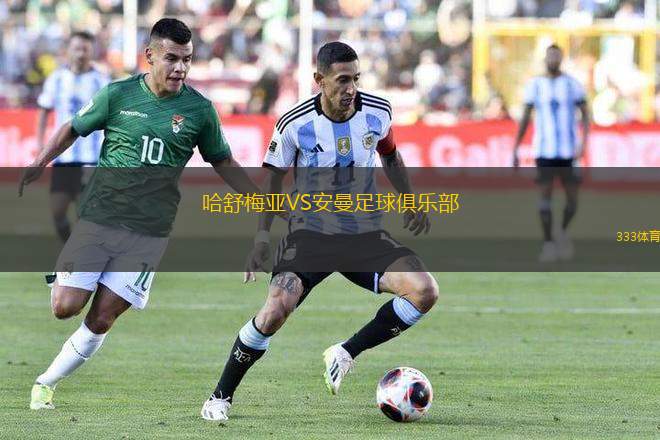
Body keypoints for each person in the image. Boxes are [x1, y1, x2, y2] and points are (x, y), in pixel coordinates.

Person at [21, 18, 264, 410]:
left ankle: (45, 383)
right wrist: (39, 161)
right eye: (172, 59)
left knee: (102, 318)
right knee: (64, 308)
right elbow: (74, 127)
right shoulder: (117, 95)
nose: (181, 68)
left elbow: (224, 161)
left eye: (187, 59)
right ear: (149, 55)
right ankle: (62, 269)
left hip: (150, 232)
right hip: (99, 218)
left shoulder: (199, 110)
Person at [201, 42, 439, 422]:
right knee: (275, 311)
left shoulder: (377, 112)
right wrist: (261, 239)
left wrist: (409, 199)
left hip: (364, 235)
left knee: (425, 291)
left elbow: (390, 154)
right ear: (319, 80)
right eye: (342, 80)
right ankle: (220, 396)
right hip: (309, 236)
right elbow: (273, 181)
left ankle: (345, 352)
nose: (351, 88)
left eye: (356, 79)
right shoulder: (294, 124)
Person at [513, 44, 590, 262]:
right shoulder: (535, 85)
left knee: (573, 200)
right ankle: (548, 243)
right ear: (545, 59)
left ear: (561, 59)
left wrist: (583, 142)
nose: (553, 59)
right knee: (544, 197)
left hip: (568, 151)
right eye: (550, 56)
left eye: (556, 56)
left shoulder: (572, 84)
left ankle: (562, 232)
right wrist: (516, 146)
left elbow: (586, 114)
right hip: (544, 151)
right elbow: (525, 117)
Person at [36, 31, 110, 242]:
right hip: (63, 156)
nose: (80, 53)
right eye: (76, 48)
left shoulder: (102, 81)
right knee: (57, 210)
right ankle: (70, 247)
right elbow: (44, 110)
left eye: (85, 49)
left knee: (84, 213)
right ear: (68, 50)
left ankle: (81, 254)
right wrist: (41, 144)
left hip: (92, 158)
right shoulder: (56, 79)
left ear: (92, 51)